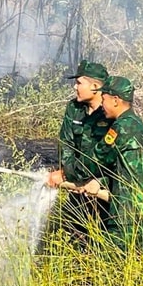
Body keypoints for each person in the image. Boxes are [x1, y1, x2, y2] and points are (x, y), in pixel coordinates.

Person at [82, 76, 143, 255]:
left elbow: (95, 160)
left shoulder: (121, 127)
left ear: (116, 100)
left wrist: (64, 174)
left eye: (104, 99)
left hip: (129, 213)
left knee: (107, 266)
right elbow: (127, 165)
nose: (101, 104)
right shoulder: (138, 126)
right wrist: (100, 181)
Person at [45, 60, 113, 239]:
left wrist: (99, 180)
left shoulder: (112, 113)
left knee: (103, 238)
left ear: (95, 87)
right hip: (77, 185)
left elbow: (115, 157)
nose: (75, 87)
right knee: (71, 233)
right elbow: (66, 143)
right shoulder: (74, 108)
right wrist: (67, 173)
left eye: (79, 83)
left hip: (105, 189)